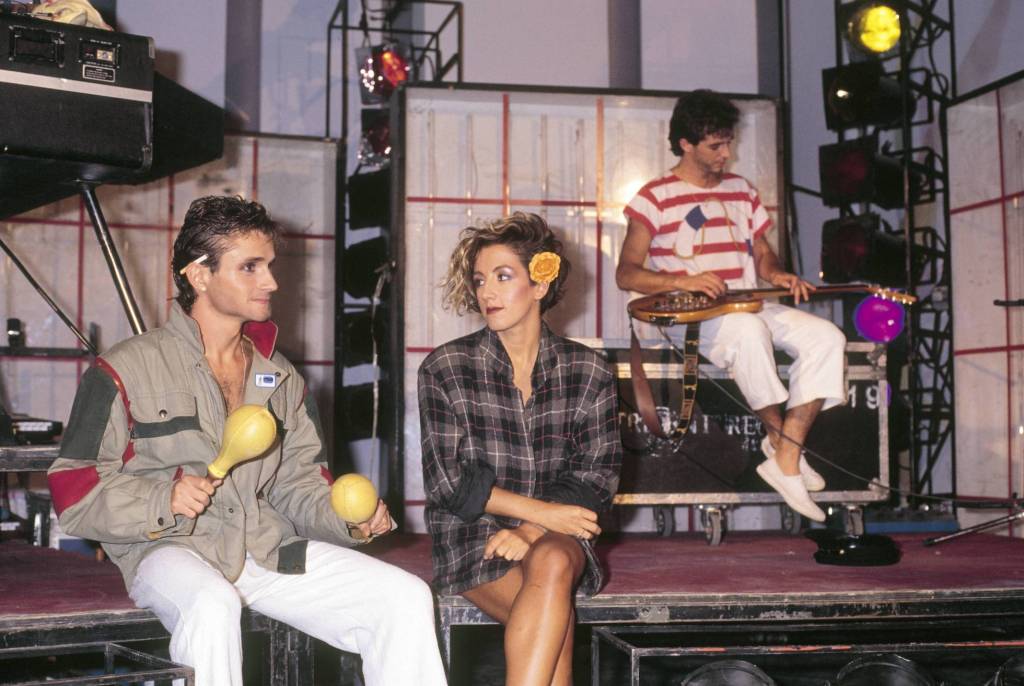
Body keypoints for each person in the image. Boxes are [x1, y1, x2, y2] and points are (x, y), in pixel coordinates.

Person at [47, 196, 447, 686]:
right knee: (211, 603)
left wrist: (349, 520)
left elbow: (299, 485)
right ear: (199, 275)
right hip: (167, 550)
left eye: (270, 266)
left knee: (403, 597)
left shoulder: (282, 378)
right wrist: (161, 498)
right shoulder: (123, 368)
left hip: (262, 546)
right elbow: (74, 493)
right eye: (250, 267)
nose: (271, 282)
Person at [616, 89, 847, 523]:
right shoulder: (654, 196)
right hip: (693, 316)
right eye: (715, 146)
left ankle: (785, 451)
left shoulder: (741, 191)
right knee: (748, 332)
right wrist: (682, 280)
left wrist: (776, 274)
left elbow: (762, 252)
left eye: (728, 143)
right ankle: (783, 448)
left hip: (746, 303)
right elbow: (626, 273)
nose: (727, 153)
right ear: (685, 143)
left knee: (828, 337)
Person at [418, 212, 622, 686]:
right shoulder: (446, 368)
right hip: (474, 537)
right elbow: (447, 483)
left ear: (540, 284)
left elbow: (598, 476)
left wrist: (533, 529)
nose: (486, 292)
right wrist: (540, 514)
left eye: (503, 276)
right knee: (556, 627)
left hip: (558, 535)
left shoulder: (589, 370)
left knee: (553, 560)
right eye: (479, 280)